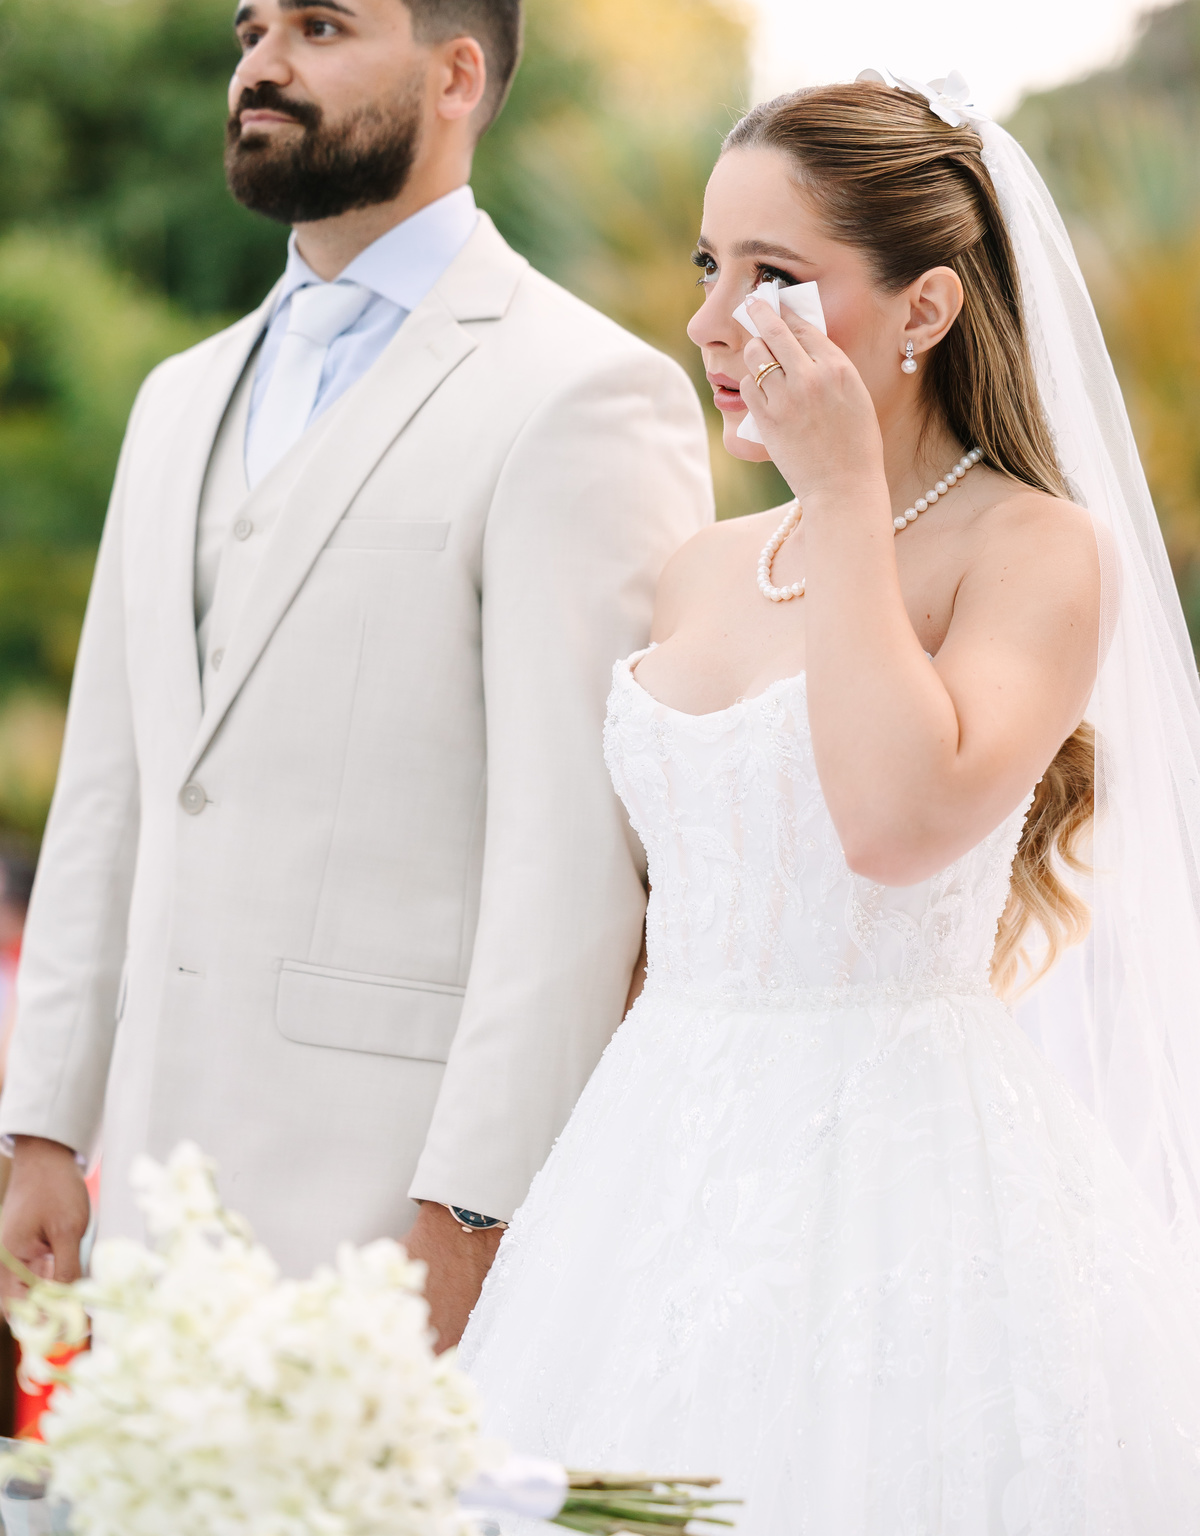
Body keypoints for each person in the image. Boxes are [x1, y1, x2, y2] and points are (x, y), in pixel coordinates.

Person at [459, 75, 1200, 1529]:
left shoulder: (1040, 550)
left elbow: (898, 826)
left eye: (776, 277)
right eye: (708, 268)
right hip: (651, 1158)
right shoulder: (702, 568)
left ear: (923, 312)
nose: (713, 322)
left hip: (912, 1179)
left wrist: (850, 496)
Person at [0, 0, 713, 1346]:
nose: (261, 65)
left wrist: (475, 1209)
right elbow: (113, 790)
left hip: (393, 1199)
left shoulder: (583, 395)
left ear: (459, 75)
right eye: (251, 30)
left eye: (318, 26)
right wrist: (41, 1124)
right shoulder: (177, 396)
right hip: (149, 1188)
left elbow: (576, 860)